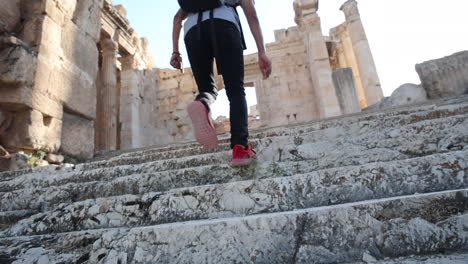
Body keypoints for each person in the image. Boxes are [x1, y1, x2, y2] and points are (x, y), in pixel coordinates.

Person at [171, 0, 272, 166]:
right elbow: (251, 15)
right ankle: (240, 149)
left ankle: (202, 102)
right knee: (235, 90)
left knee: (207, 89)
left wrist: (175, 51)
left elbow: (177, 19)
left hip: (192, 31)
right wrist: (262, 51)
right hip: (224, 25)